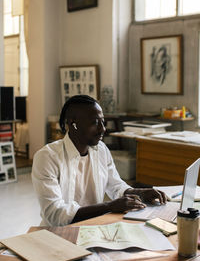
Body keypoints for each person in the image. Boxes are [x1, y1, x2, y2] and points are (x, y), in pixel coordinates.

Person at [32, 95, 166, 226]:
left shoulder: (101, 149)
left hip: (93, 226)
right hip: (57, 234)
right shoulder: (47, 157)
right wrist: (109, 206)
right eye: (95, 122)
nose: (103, 128)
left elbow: (115, 186)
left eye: (103, 122)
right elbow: (55, 214)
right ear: (74, 124)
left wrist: (139, 193)